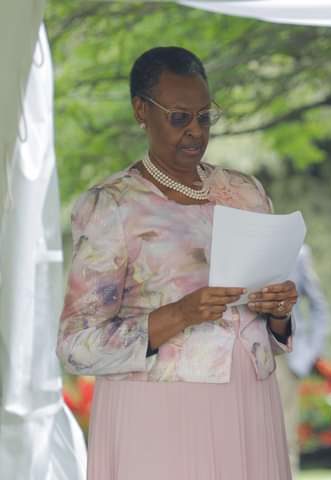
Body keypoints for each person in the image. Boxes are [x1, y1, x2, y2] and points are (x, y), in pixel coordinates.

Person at [57, 46, 296, 480]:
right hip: (160, 415)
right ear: (141, 111)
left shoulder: (245, 192)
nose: (195, 132)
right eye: (179, 117)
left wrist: (278, 312)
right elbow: (76, 347)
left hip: (249, 404)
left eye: (204, 117)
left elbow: (264, 329)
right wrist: (178, 314)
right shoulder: (112, 205)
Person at [275, 244, 331, 476]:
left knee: (285, 437)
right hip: (242, 353)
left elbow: (319, 307)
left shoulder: (298, 252)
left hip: (286, 357)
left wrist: (308, 354)